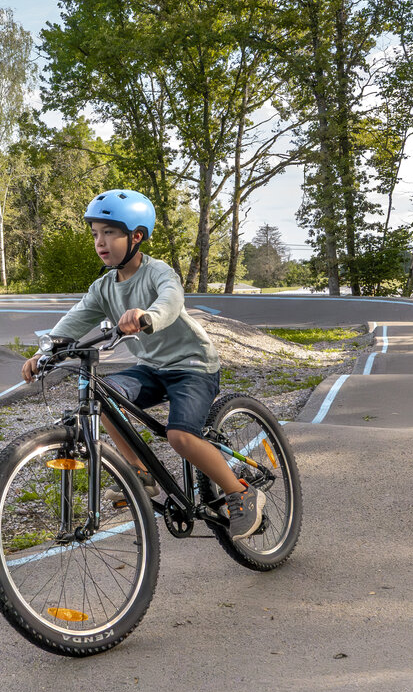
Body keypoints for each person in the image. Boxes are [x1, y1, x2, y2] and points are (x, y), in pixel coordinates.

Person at [20, 189, 264, 540]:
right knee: (102, 396)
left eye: (110, 233)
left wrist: (147, 316)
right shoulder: (104, 287)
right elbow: (72, 323)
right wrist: (44, 354)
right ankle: (141, 475)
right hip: (152, 367)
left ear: (136, 236)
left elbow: (171, 299)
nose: (100, 242)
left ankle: (241, 492)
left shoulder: (157, 273)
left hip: (193, 366)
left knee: (180, 436)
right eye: (95, 234)